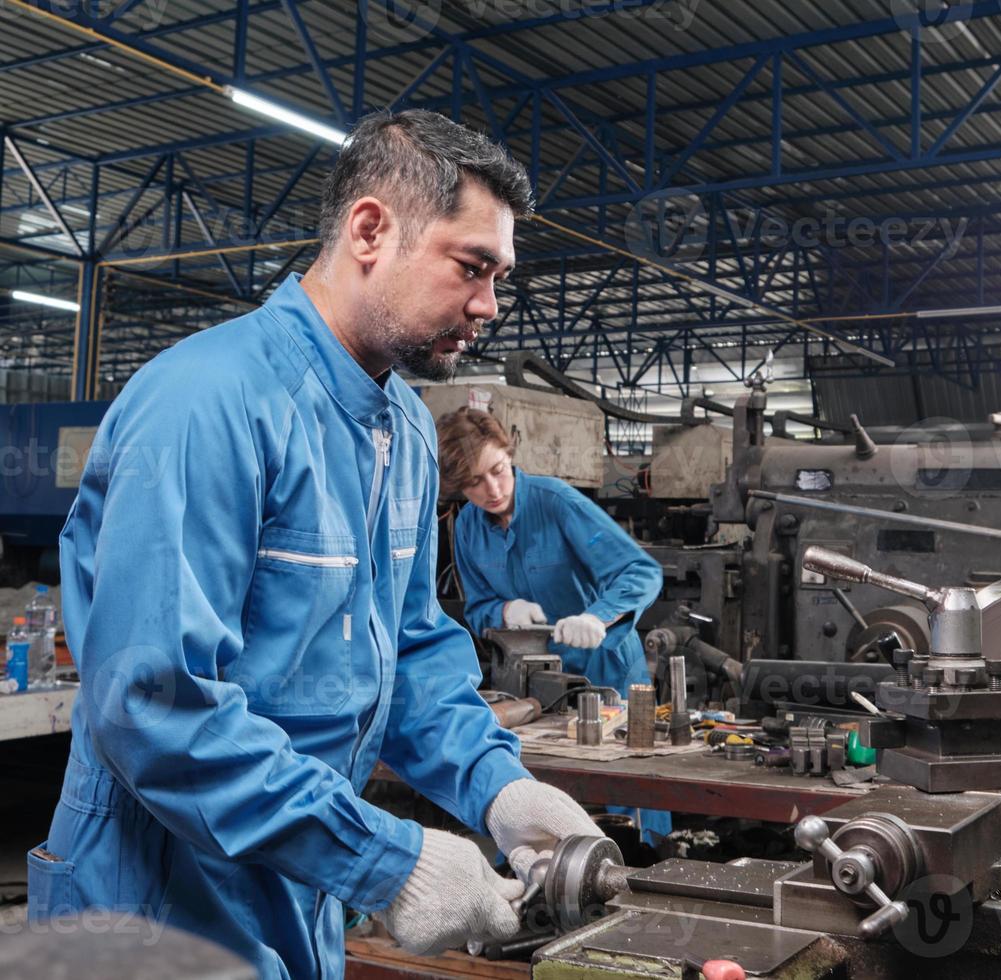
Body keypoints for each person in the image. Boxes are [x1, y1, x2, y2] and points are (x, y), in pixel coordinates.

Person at [28, 110, 604, 980]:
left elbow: (408, 653)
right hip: (154, 897)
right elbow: (154, 705)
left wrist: (498, 788)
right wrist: (390, 859)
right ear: (371, 230)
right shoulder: (206, 403)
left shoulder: (405, 429)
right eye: (472, 267)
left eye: (500, 275)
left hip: (298, 880)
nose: (489, 304)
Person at [438, 406, 663, 694]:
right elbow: (478, 606)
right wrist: (506, 611)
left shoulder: (558, 503)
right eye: (474, 482)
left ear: (509, 454)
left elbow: (640, 572)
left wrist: (597, 617)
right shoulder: (468, 526)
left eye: (497, 471)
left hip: (605, 674)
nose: (493, 490)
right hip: (531, 679)